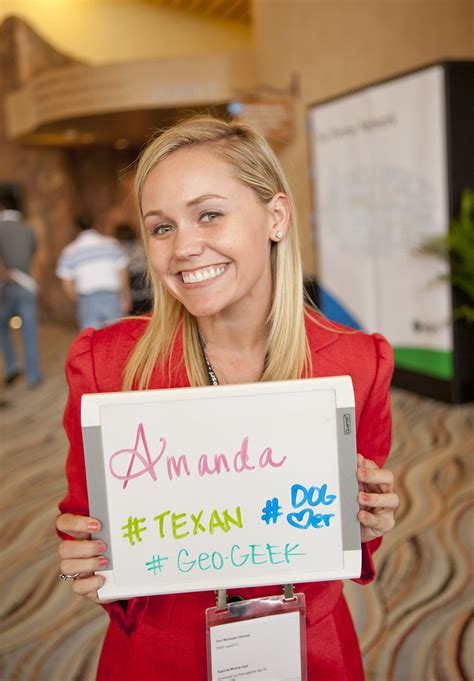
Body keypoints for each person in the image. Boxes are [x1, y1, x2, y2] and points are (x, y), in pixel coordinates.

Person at [56, 116, 398, 680]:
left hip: (308, 648)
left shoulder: (358, 363)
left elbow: (346, 534)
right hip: (162, 653)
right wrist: (81, 565)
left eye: (209, 214)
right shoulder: (106, 366)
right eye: (161, 228)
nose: (185, 247)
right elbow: (83, 526)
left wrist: (366, 523)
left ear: (276, 217)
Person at [56, 215, 131, 330]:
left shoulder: (70, 251)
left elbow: (66, 283)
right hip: (112, 296)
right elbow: (122, 273)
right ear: (95, 225)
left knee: (91, 340)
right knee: (117, 337)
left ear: (76, 229)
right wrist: (125, 296)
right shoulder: (111, 244)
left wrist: (78, 298)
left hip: (87, 298)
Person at [0, 191, 42, 387]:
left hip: (6, 286)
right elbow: (33, 251)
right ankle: (34, 376)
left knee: (2, 327)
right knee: (29, 331)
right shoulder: (27, 229)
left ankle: (12, 365)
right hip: (27, 284)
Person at [114, 222, 153, 314]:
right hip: (150, 292)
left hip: (133, 295)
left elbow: (122, 277)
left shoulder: (120, 253)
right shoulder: (142, 249)